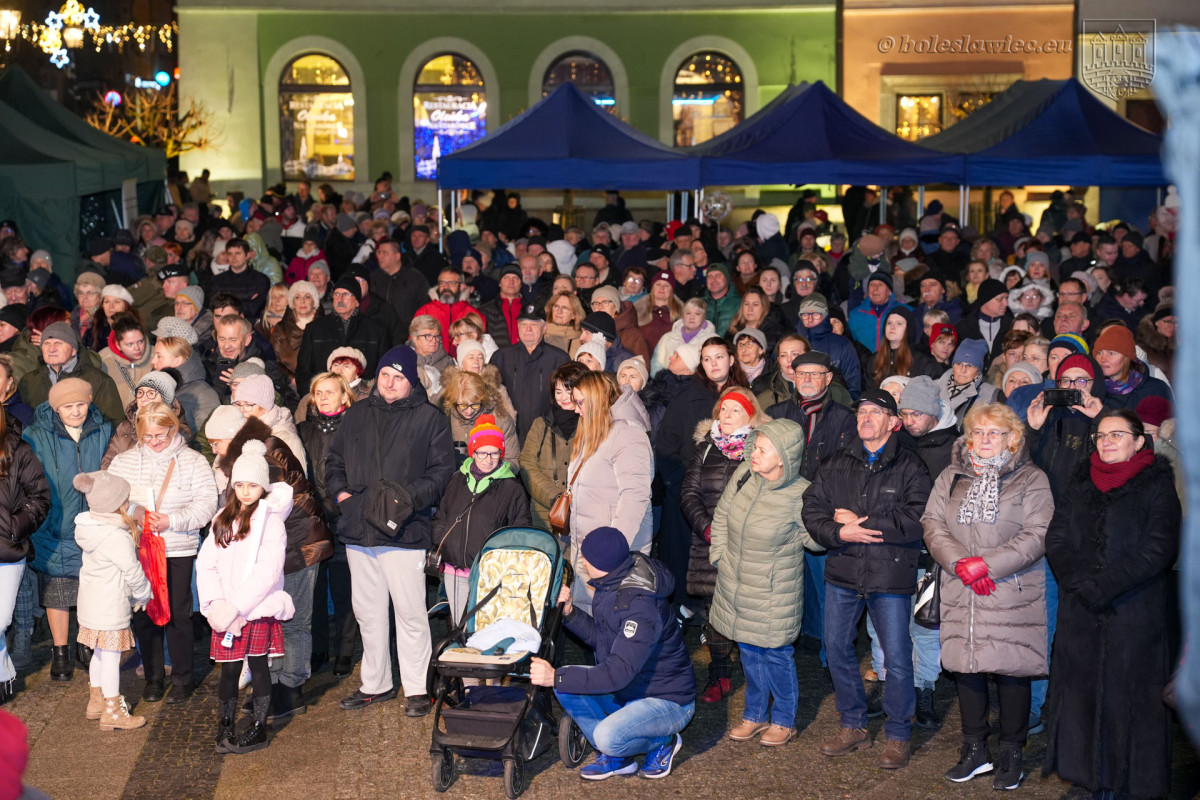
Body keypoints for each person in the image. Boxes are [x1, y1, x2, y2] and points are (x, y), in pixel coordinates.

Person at [1043, 409, 1181, 800]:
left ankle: (1128, 785)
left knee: (1129, 699)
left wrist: (1105, 586)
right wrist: (1077, 582)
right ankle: (1088, 779)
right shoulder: (1080, 481)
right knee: (1082, 696)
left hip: (1134, 611)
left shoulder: (1157, 485)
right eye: (1100, 435)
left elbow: (1159, 548)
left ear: (1139, 441)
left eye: (1117, 435)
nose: (1106, 442)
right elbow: (1057, 538)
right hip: (1081, 610)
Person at [922, 403, 1053, 789]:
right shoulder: (951, 475)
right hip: (961, 585)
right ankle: (975, 750)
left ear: (1013, 438)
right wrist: (960, 563)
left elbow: (1038, 533)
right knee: (967, 669)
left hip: (1010, 588)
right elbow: (932, 523)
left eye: (994, 432)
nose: (984, 440)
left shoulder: (1031, 478)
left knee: (1012, 669)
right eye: (978, 433)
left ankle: (1012, 753)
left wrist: (987, 565)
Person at [802, 388, 932, 770]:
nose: (866, 417)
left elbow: (916, 519)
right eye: (861, 411)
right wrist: (838, 533)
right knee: (837, 649)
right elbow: (812, 508)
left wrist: (861, 525)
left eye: (876, 412)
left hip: (889, 573)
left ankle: (898, 734)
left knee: (896, 656)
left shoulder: (911, 466)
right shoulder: (836, 462)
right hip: (843, 568)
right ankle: (854, 725)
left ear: (894, 422)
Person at [325, 345, 454, 716]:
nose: (390, 383)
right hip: (359, 527)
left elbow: (443, 471)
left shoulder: (430, 418)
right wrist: (342, 495)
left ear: (411, 381)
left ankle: (417, 688)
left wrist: (406, 499)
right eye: (384, 375)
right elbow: (333, 461)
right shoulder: (358, 414)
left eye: (398, 377)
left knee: (410, 612)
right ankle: (375, 683)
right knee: (368, 611)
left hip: (405, 531)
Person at [530, 526, 696, 781]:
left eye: (585, 557)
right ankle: (619, 756)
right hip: (631, 689)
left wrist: (555, 676)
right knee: (566, 685)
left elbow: (615, 674)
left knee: (605, 735)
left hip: (667, 700)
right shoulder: (612, 585)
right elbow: (604, 641)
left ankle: (662, 742)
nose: (582, 561)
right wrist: (570, 614)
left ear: (601, 563)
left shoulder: (641, 606)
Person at [710, 417, 820, 746]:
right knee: (747, 650)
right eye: (754, 447)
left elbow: (816, 542)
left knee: (776, 655)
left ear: (784, 457)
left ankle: (784, 720)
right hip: (738, 583)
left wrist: (829, 517)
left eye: (762, 449)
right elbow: (721, 515)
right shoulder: (745, 476)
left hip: (774, 592)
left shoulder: (801, 494)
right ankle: (754, 715)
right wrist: (719, 556)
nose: (753, 454)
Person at [107, 402, 218, 703]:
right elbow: (113, 499)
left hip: (177, 547)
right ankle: (153, 677)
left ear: (173, 428)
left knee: (178, 614)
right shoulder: (125, 462)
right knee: (144, 613)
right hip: (139, 546)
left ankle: (183, 678)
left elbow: (207, 503)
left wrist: (173, 520)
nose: (155, 442)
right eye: (147, 437)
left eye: (161, 435)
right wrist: (136, 512)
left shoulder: (193, 461)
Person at [197, 444, 295, 754]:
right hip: (226, 610)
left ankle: (258, 727)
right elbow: (206, 564)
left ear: (263, 487)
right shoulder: (222, 519)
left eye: (252, 485)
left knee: (258, 665)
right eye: (239, 484)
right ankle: (226, 723)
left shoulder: (271, 522)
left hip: (254, 610)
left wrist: (236, 607)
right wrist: (215, 604)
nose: (245, 491)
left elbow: (267, 572)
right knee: (228, 669)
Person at [22, 378, 114, 681]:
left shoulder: (103, 429)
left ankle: (84, 644)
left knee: (90, 589)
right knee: (57, 591)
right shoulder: (35, 435)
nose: (76, 411)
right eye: (68, 406)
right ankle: (59, 651)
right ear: (55, 407)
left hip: (94, 523)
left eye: (81, 404)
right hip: (54, 523)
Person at [680, 387, 767, 704]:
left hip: (748, 547)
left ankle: (758, 681)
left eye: (735, 410)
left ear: (751, 416)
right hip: (710, 546)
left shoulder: (762, 448)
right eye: (724, 409)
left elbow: (768, 496)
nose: (726, 415)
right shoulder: (705, 448)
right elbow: (689, 494)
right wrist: (707, 530)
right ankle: (720, 676)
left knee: (749, 616)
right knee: (715, 617)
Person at [431, 414, 532, 622]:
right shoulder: (457, 480)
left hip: (490, 574)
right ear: (472, 452)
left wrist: (499, 563)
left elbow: (521, 533)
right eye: (483, 453)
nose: (489, 459)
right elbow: (441, 516)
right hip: (455, 571)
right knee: (459, 625)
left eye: (495, 453)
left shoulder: (512, 489)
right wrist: (445, 542)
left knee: (485, 627)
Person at [567, 373, 653, 613]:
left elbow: (634, 497)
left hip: (613, 557)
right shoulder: (595, 430)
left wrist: (611, 551)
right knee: (595, 626)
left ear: (596, 400)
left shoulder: (627, 434)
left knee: (613, 629)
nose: (576, 410)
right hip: (590, 549)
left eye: (580, 402)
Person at [71, 471, 151, 730]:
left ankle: (96, 702)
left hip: (91, 606)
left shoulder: (90, 529)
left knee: (99, 653)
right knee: (111, 657)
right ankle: (113, 710)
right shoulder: (116, 537)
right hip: (110, 607)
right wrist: (143, 594)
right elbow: (133, 571)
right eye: (125, 500)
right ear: (117, 505)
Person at [295, 373, 359, 677]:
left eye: (329, 392)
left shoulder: (357, 430)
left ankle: (345, 650)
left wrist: (336, 506)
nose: (322, 398)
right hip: (312, 522)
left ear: (344, 396)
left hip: (346, 520)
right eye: (317, 392)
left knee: (346, 591)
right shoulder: (302, 431)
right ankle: (318, 649)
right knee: (315, 592)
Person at [0, 409, 49, 704]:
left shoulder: (19, 450)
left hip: (7, 550)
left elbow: (40, 497)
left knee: (1, 620)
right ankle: (4, 676)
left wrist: (13, 527)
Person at [519, 362, 587, 532]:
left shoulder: (593, 426)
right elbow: (527, 464)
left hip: (583, 513)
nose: (563, 397)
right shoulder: (541, 424)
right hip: (544, 515)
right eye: (558, 391)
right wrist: (556, 497)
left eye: (569, 390)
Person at [490, 303, 570, 440]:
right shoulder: (501, 357)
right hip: (510, 435)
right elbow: (491, 398)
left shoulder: (559, 359)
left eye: (534, 325)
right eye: (523, 324)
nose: (528, 329)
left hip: (547, 436)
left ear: (544, 327)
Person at [18, 322, 124, 425]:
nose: (51, 349)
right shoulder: (28, 381)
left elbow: (114, 424)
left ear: (74, 350)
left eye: (58, 343)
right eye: (46, 343)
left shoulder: (99, 381)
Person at [100, 371, 193, 468]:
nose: (143, 398)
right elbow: (107, 463)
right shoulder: (125, 427)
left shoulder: (179, 431)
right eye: (140, 392)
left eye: (151, 393)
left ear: (166, 399)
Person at [439, 370, 521, 470]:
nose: (469, 411)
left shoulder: (500, 420)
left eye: (475, 405)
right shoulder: (443, 418)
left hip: (491, 481)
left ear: (483, 399)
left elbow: (512, 461)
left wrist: (486, 467)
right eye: (463, 406)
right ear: (453, 401)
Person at [1091, 324, 1172, 410]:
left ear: (1127, 357)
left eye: (1111, 353)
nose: (1103, 359)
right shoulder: (1092, 389)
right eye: (1099, 353)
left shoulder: (1155, 389)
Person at [270, 280, 323, 389]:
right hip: (288, 386)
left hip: (320, 383)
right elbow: (273, 361)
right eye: (297, 297)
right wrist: (291, 378)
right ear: (292, 303)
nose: (302, 301)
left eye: (307, 296)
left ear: (315, 302)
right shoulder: (280, 329)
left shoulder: (325, 327)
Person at [940, 339, 1000, 430]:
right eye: (959, 364)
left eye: (969, 365)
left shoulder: (989, 395)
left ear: (978, 370)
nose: (963, 370)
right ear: (953, 365)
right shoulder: (934, 386)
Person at [99, 314, 153, 409]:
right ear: (118, 345)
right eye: (130, 344)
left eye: (140, 341)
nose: (137, 348)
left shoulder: (156, 356)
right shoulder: (104, 360)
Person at [651, 297, 715, 376]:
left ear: (704, 317)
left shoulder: (712, 341)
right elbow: (656, 365)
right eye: (688, 313)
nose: (692, 317)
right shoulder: (667, 337)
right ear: (682, 315)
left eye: (697, 313)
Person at [544, 290, 585, 356]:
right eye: (556, 306)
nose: (559, 311)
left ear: (574, 315)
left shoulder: (579, 341)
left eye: (565, 308)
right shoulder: (540, 335)